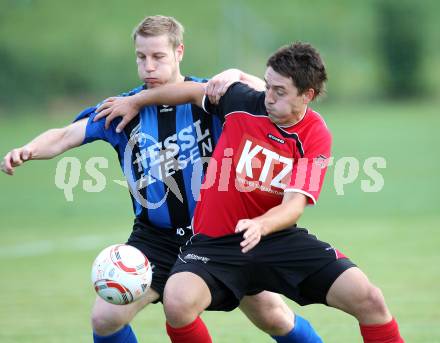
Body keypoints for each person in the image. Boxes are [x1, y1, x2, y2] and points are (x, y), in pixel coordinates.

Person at [1, 16, 323, 343]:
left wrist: (236, 74)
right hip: (156, 240)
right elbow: (65, 135)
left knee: (273, 316)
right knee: (105, 318)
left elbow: (267, 96)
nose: (148, 67)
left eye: (158, 57)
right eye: (141, 57)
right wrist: (27, 150)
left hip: (218, 235)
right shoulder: (123, 110)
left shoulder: (210, 96)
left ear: (178, 52)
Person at [94, 41, 405, 343]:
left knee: (370, 300)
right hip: (214, 242)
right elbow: (191, 91)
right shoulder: (243, 101)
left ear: (307, 95)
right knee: (177, 302)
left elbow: (294, 205)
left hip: (275, 238)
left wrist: (261, 225)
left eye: (279, 91)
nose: (268, 97)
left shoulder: (316, 135)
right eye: (267, 85)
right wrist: (137, 101)